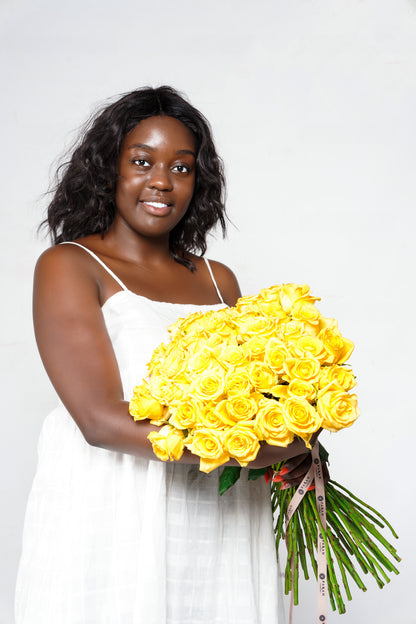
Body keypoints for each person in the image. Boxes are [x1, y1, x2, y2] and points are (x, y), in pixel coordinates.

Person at [15, 86, 315, 624]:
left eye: (182, 167)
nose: (161, 181)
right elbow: (100, 421)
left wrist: (300, 441)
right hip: (115, 514)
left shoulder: (218, 281)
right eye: (142, 161)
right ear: (109, 168)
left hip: (221, 522)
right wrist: (250, 449)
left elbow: (258, 395)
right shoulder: (70, 265)